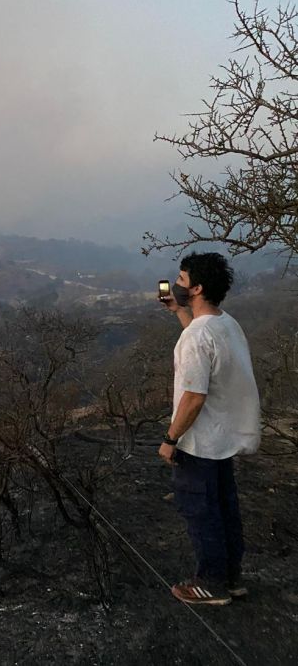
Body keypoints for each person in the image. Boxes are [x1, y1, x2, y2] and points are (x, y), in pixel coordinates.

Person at [158, 251, 260, 606]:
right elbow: (204, 341)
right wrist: (180, 312)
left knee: (200, 511)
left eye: (182, 281)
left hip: (199, 442)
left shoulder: (197, 338)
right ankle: (231, 577)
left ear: (198, 287)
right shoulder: (225, 323)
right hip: (224, 438)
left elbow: (194, 397)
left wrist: (170, 438)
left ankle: (211, 584)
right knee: (223, 507)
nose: (177, 285)